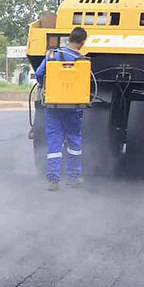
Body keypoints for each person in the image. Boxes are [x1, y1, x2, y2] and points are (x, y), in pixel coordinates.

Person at [35, 26, 88, 191]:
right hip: (73, 108)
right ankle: (73, 177)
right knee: (74, 140)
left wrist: (44, 85)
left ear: (69, 38)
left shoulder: (51, 55)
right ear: (81, 42)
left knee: (54, 142)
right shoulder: (82, 61)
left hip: (53, 105)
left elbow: (39, 73)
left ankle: (53, 180)